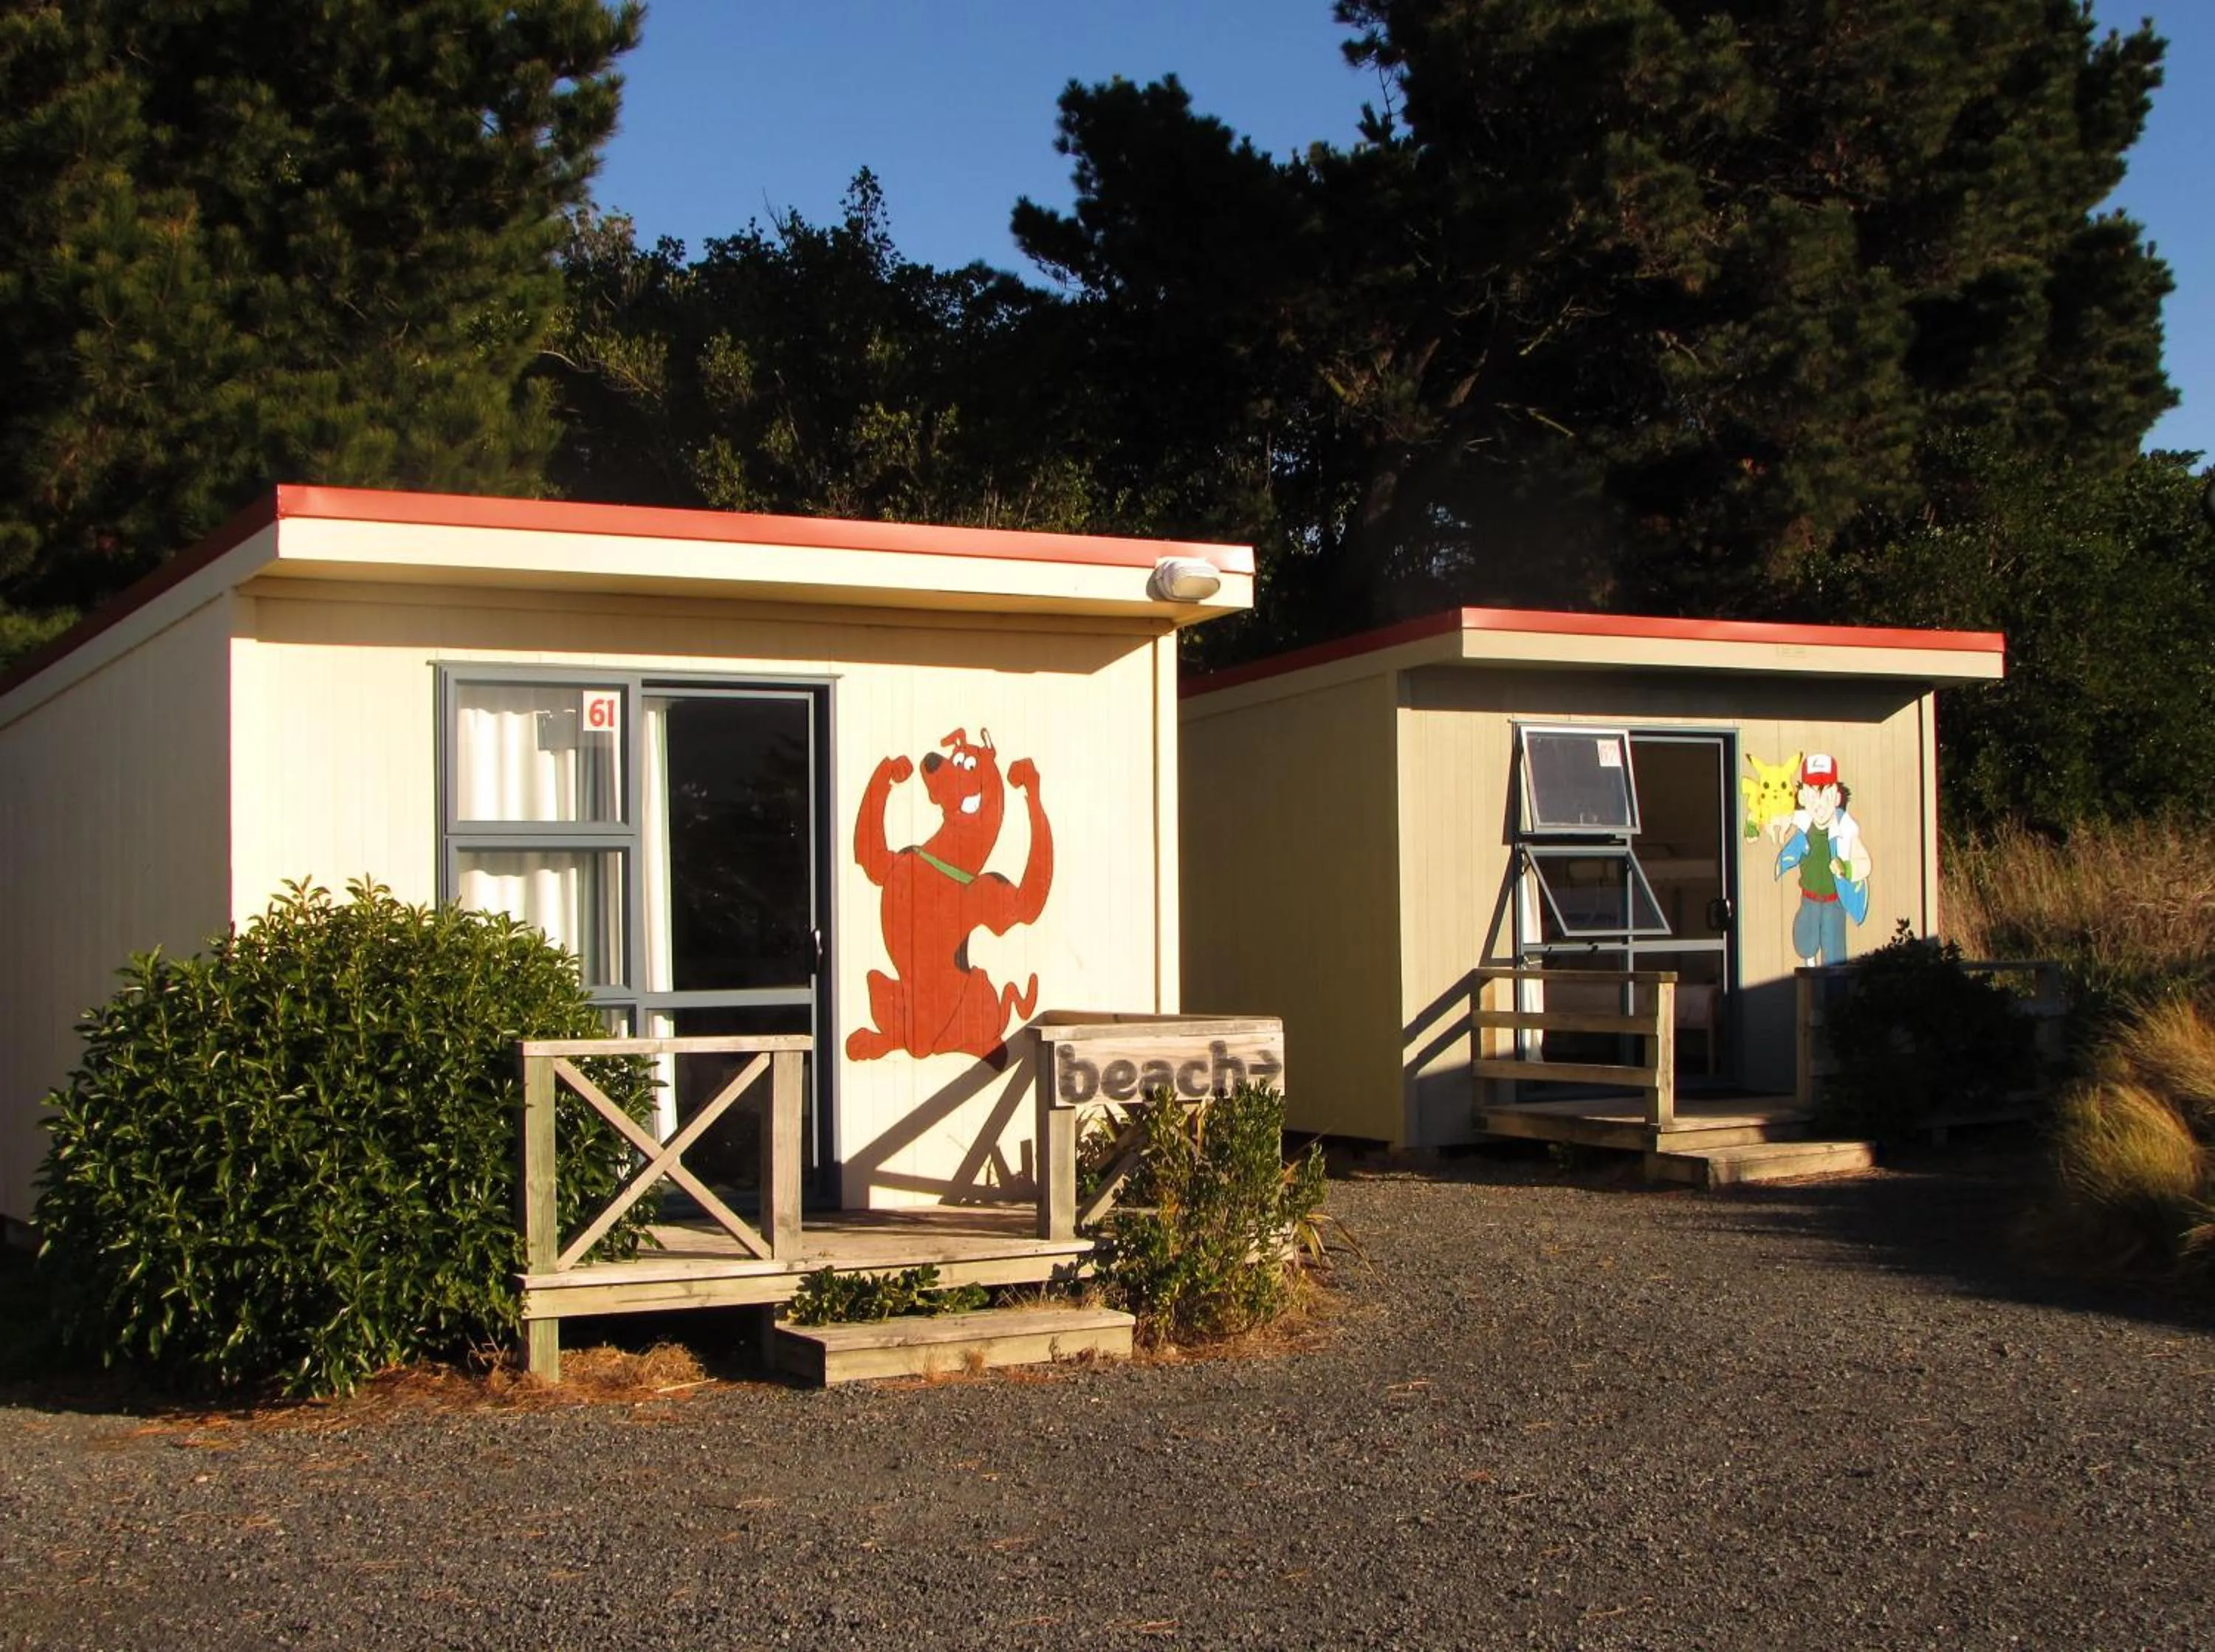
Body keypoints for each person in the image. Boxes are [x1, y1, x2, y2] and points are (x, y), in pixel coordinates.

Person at [1774, 753, 1870, 966]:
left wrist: (1846, 868)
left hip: (1834, 901)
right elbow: (1782, 817)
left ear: (1836, 797)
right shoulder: (1803, 823)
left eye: (1826, 796)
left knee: (1834, 955)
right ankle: (1811, 973)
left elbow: (1864, 864)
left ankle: (1835, 997)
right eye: (1812, 796)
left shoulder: (1846, 830)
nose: (1819, 804)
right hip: (1808, 899)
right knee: (1805, 944)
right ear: (1802, 798)